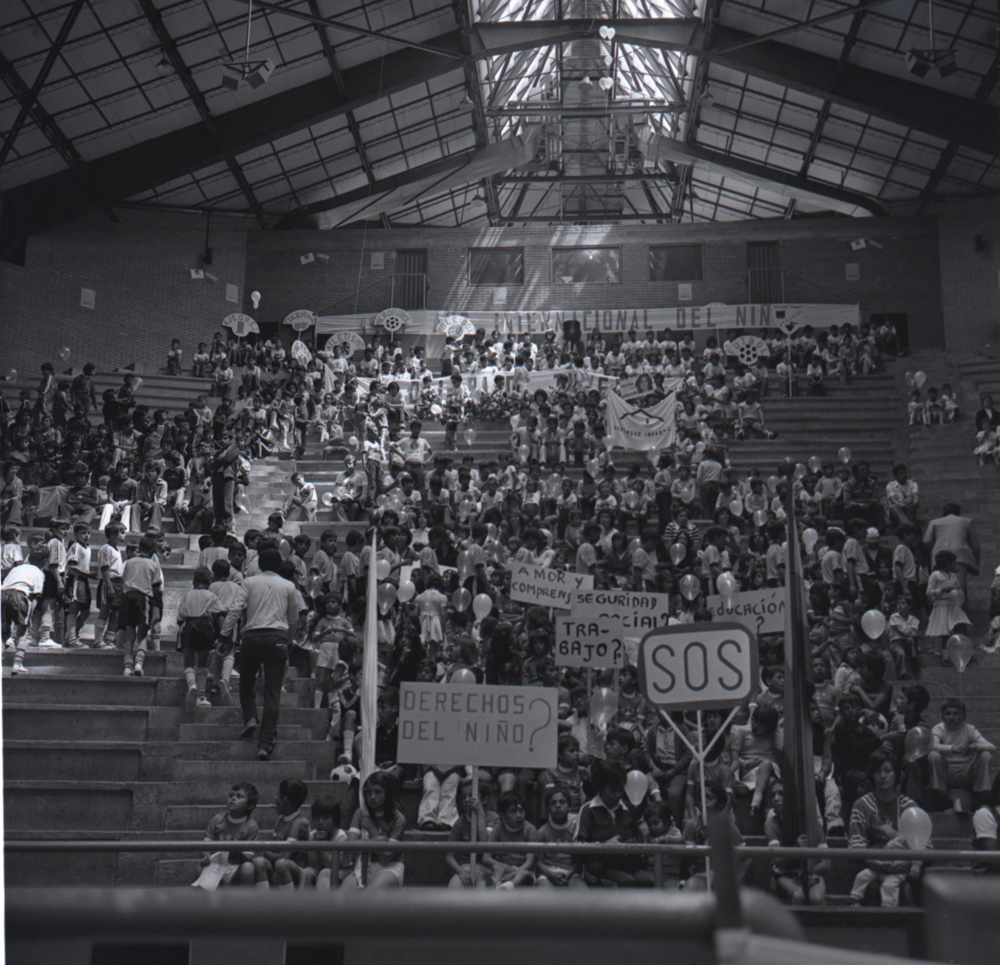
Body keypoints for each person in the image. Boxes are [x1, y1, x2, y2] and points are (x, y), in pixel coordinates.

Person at [218, 548, 302, 761]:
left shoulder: (249, 582)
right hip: (277, 639)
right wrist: (288, 640)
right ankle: (265, 744)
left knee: (246, 683)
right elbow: (294, 619)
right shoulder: (289, 586)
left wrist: (224, 634)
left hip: (251, 638)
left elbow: (235, 610)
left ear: (260, 565)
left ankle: (250, 717)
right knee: (273, 692)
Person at [848, 751, 924, 907]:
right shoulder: (861, 805)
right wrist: (877, 863)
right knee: (872, 888)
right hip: (873, 867)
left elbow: (923, 843)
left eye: (888, 771)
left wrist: (907, 864)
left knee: (907, 888)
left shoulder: (909, 807)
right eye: (877, 771)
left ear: (896, 774)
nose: (882, 776)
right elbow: (856, 844)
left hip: (903, 868)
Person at [576, 760, 651, 887]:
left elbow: (636, 838)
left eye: (621, 790)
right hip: (599, 867)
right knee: (627, 881)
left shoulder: (629, 808)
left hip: (626, 864)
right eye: (612, 790)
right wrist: (605, 846)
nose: (617, 795)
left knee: (647, 880)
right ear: (600, 786)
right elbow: (579, 849)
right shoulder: (587, 811)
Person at [340, 770, 407, 890]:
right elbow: (351, 848)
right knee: (342, 895)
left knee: (368, 898)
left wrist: (372, 829)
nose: (372, 797)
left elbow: (385, 858)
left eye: (378, 792)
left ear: (388, 793)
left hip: (390, 867)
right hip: (363, 864)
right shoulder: (361, 813)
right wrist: (381, 840)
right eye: (368, 792)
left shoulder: (398, 819)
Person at [926, 699, 996, 811]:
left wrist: (975, 747)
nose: (951, 717)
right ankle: (940, 797)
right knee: (933, 756)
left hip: (967, 774)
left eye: (956, 713)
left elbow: (992, 747)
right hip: (947, 774)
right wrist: (953, 749)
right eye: (948, 714)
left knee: (985, 755)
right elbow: (931, 746)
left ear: (964, 717)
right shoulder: (939, 729)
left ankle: (980, 797)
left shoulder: (969, 729)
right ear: (942, 716)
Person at [177, 567, 226, 710]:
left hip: (188, 625)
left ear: (194, 581)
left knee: (189, 662)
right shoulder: (211, 596)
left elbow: (180, 617)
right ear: (209, 581)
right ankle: (201, 696)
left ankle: (191, 684)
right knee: (203, 663)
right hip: (205, 627)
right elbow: (220, 615)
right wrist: (222, 635)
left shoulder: (187, 595)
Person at [194, 783, 260, 889]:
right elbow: (205, 844)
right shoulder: (218, 820)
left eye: (239, 796)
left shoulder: (251, 826)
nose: (233, 798)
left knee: (248, 868)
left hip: (236, 868)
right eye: (231, 795)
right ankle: (210, 902)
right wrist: (206, 855)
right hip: (217, 866)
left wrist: (237, 852)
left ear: (250, 805)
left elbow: (249, 857)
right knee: (201, 867)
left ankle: (243, 903)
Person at [252, 778, 312, 889]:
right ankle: (262, 902)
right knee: (258, 862)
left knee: (281, 864)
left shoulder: (299, 823)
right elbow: (274, 847)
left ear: (284, 800)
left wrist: (264, 851)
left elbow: (285, 856)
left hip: (296, 869)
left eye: (277, 795)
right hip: (278, 862)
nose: (275, 798)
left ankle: (287, 904)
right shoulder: (281, 819)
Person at [119, 536, 162, 677]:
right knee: (142, 635)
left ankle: (127, 667)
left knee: (130, 635)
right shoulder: (153, 565)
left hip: (127, 598)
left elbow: (123, 579)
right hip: (143, 599)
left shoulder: (129, 562)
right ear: (153, 550)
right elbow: (156, 587)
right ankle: (138, 664)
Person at [924, 504, 981, 599]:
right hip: (959, 557)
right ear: (958, 513)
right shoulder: (966, 522)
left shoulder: (934, 522)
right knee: (960, 591)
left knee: (940, 588)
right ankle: (961, 612)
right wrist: (976, 563)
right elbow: (976, 547)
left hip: (940, 557)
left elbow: (927, 542)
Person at [483, 791, 538, 888]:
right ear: (503, 815)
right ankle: (495, 886)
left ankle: (508, 887)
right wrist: (504, 867)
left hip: (523, 870)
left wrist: (513, 873)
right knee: (496, 868)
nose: (519, 815)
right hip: (504, 868)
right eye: (513, 811)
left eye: (521, 810)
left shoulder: (529, 830)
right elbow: (486, 858)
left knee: (523, 874)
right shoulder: (498, 829)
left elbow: (530, 862)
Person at [925, 551, 971, 662]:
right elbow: (928, 592)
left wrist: (957, 591)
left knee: (961, 626)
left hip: (952, 606)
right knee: (945, 632)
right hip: (941, 606)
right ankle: (945, 656)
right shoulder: (935, 575)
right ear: (947, 563)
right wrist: (942, 590)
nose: (955, 565)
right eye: (953, 563)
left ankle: (964, 652)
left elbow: (959, 589)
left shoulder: (953, 576)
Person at [3, 558, 46, 675]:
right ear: (44, 561)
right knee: (22, 632)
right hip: (19, 596)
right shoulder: (39, 572)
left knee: (3, 633)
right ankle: (17, 663)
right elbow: (37, 596)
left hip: (3, 596)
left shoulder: (16, 568)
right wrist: (30, 615)